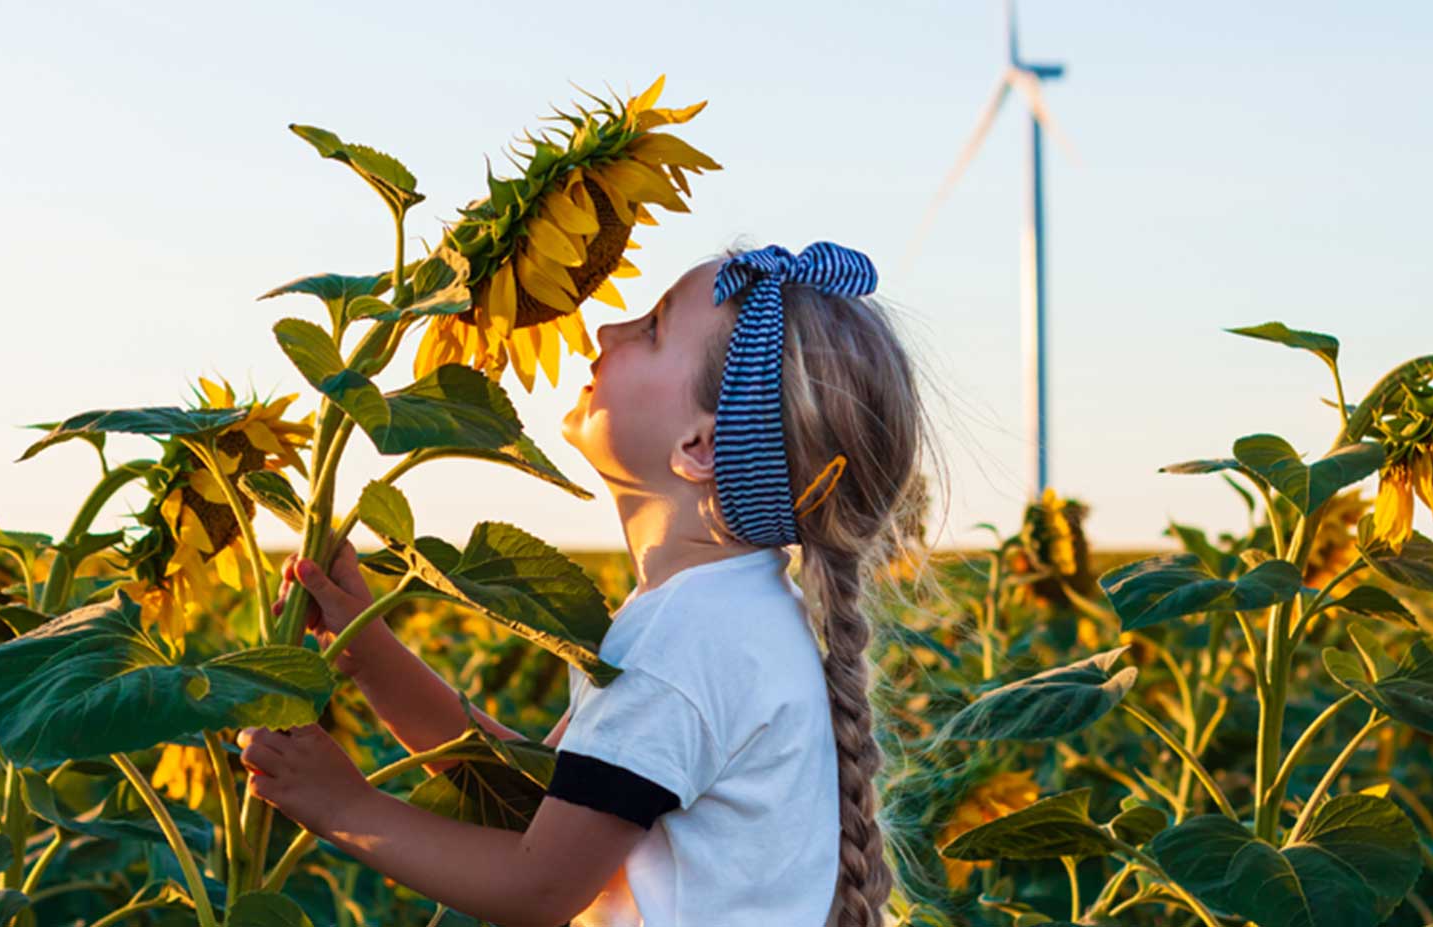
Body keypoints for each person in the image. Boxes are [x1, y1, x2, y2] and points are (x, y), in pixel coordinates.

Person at [239, 241, 934, 927]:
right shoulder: (725, 612)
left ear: (700, 447)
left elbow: (540, 885)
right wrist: (372, 653)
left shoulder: (686, 639)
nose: (606, 329)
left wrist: (343, 806)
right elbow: (542, 790)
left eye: (653, 328)